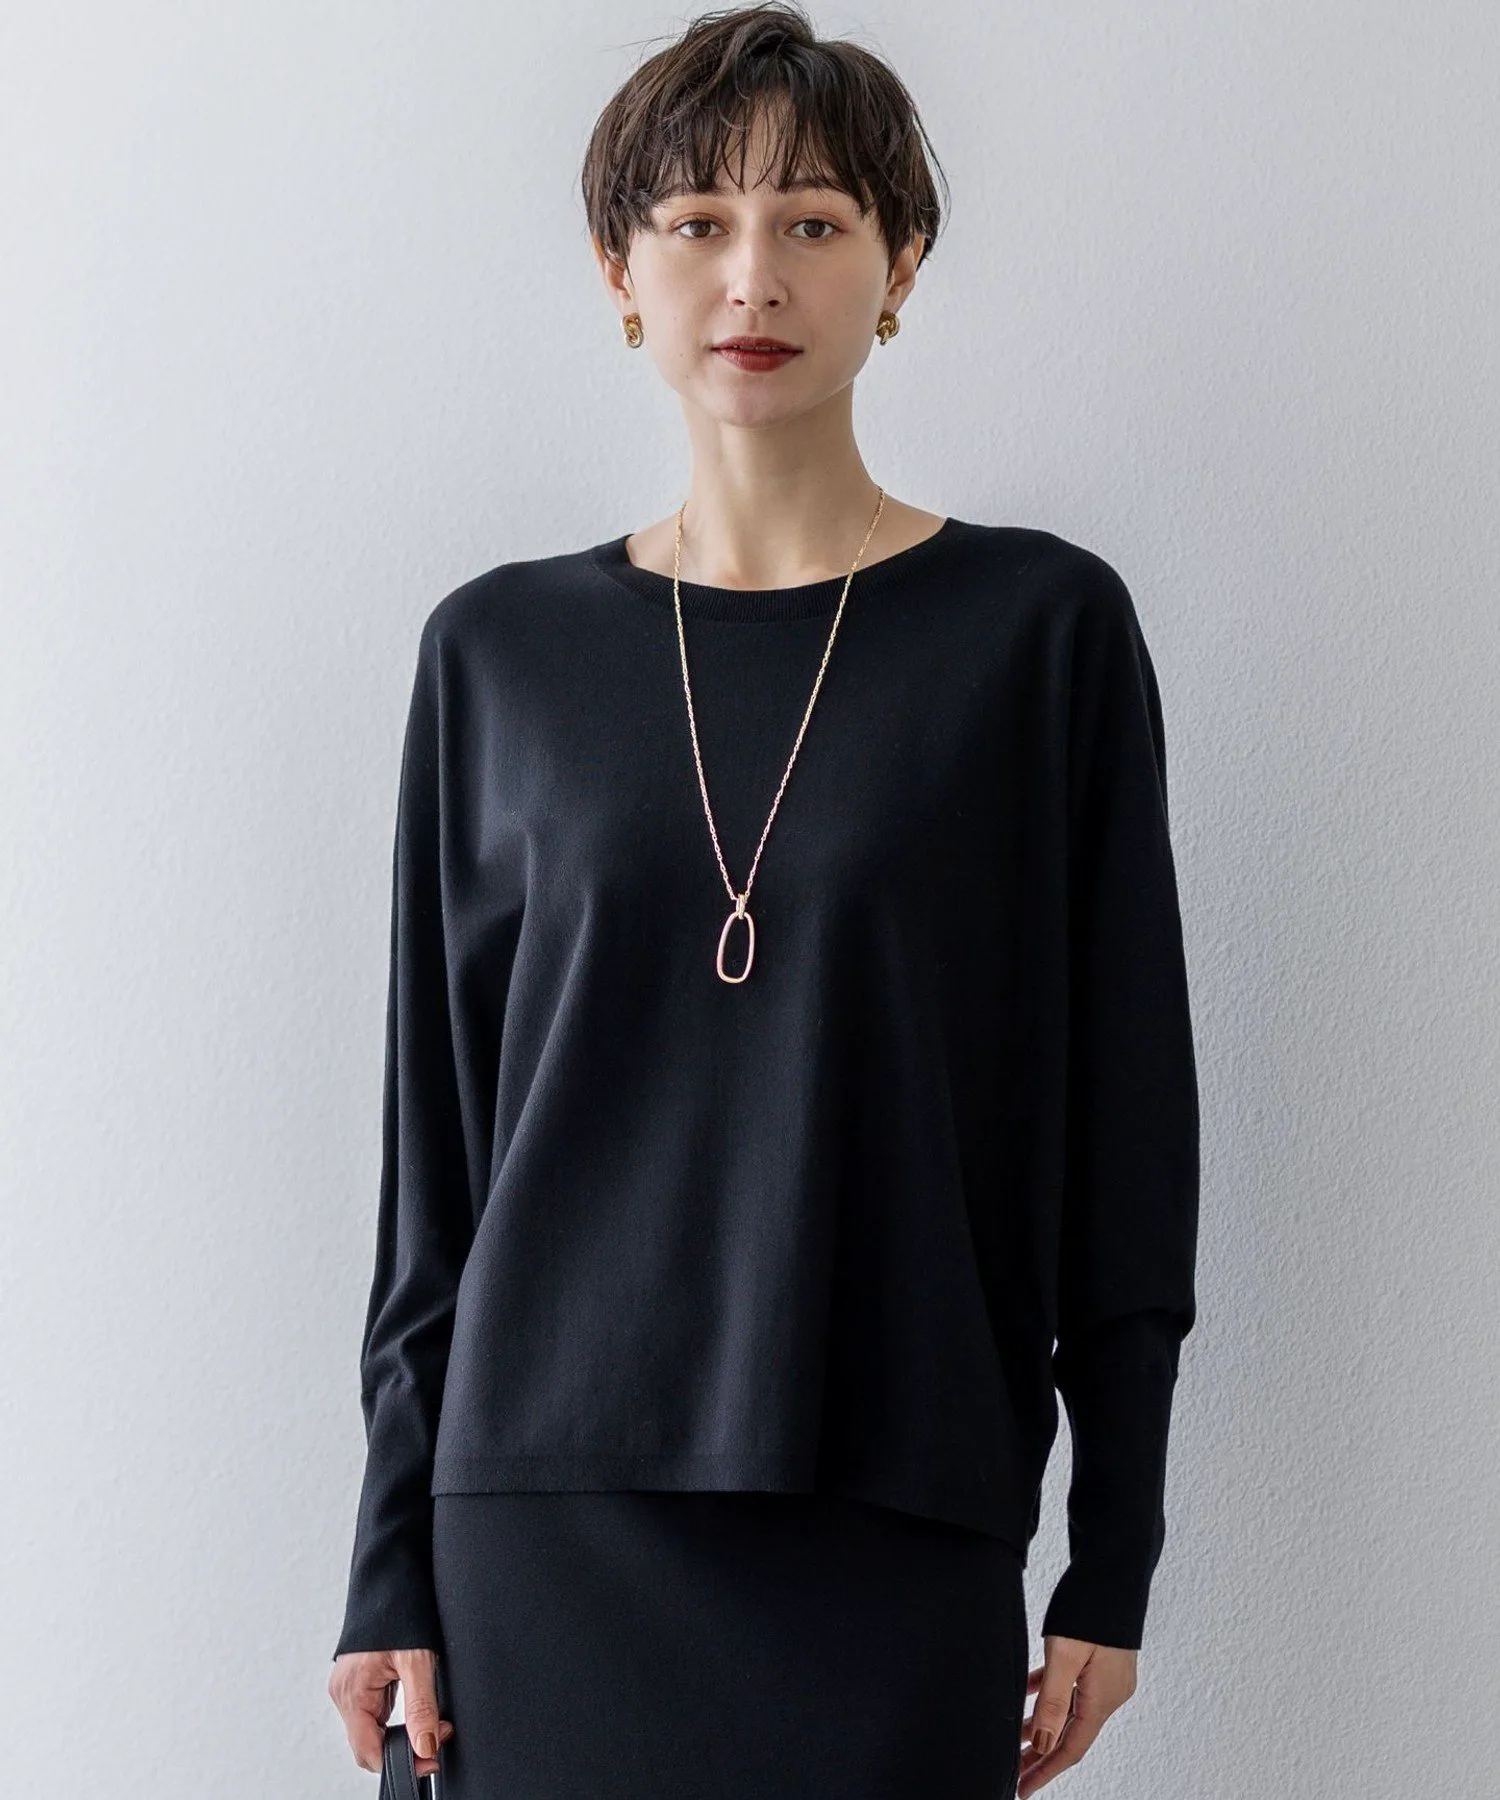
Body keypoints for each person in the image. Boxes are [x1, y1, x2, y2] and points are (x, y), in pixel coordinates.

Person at [326, 5, 1200, 1796]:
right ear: (620, 271)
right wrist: (385, 1562)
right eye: (697, 223)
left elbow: (1127, 1127)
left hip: (897, 1502)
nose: (754, 276)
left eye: (813, 220)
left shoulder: (1040, 636)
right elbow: (439, 1157)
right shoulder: (498, 653)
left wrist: (1114, 1550)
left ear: (901, 263)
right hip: (539, 1528)